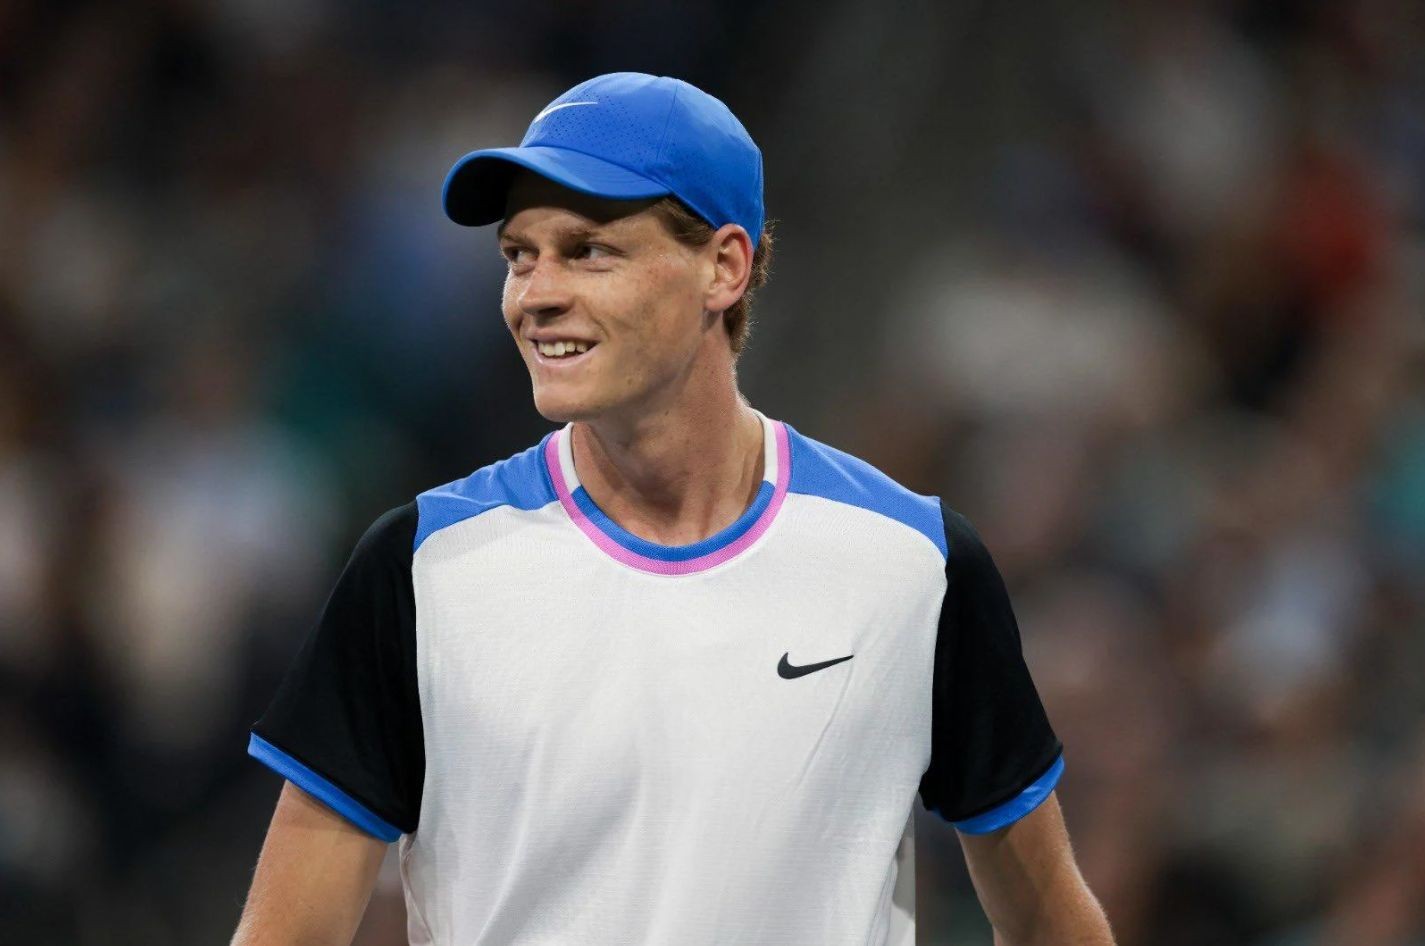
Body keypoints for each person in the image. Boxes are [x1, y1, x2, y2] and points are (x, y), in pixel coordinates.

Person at [231, 72, 1114, 946]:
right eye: (518, 255)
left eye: (588, 251)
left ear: (723, 267)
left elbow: (1048, 919)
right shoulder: (422, 568)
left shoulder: (914, 564)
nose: (535, 294)